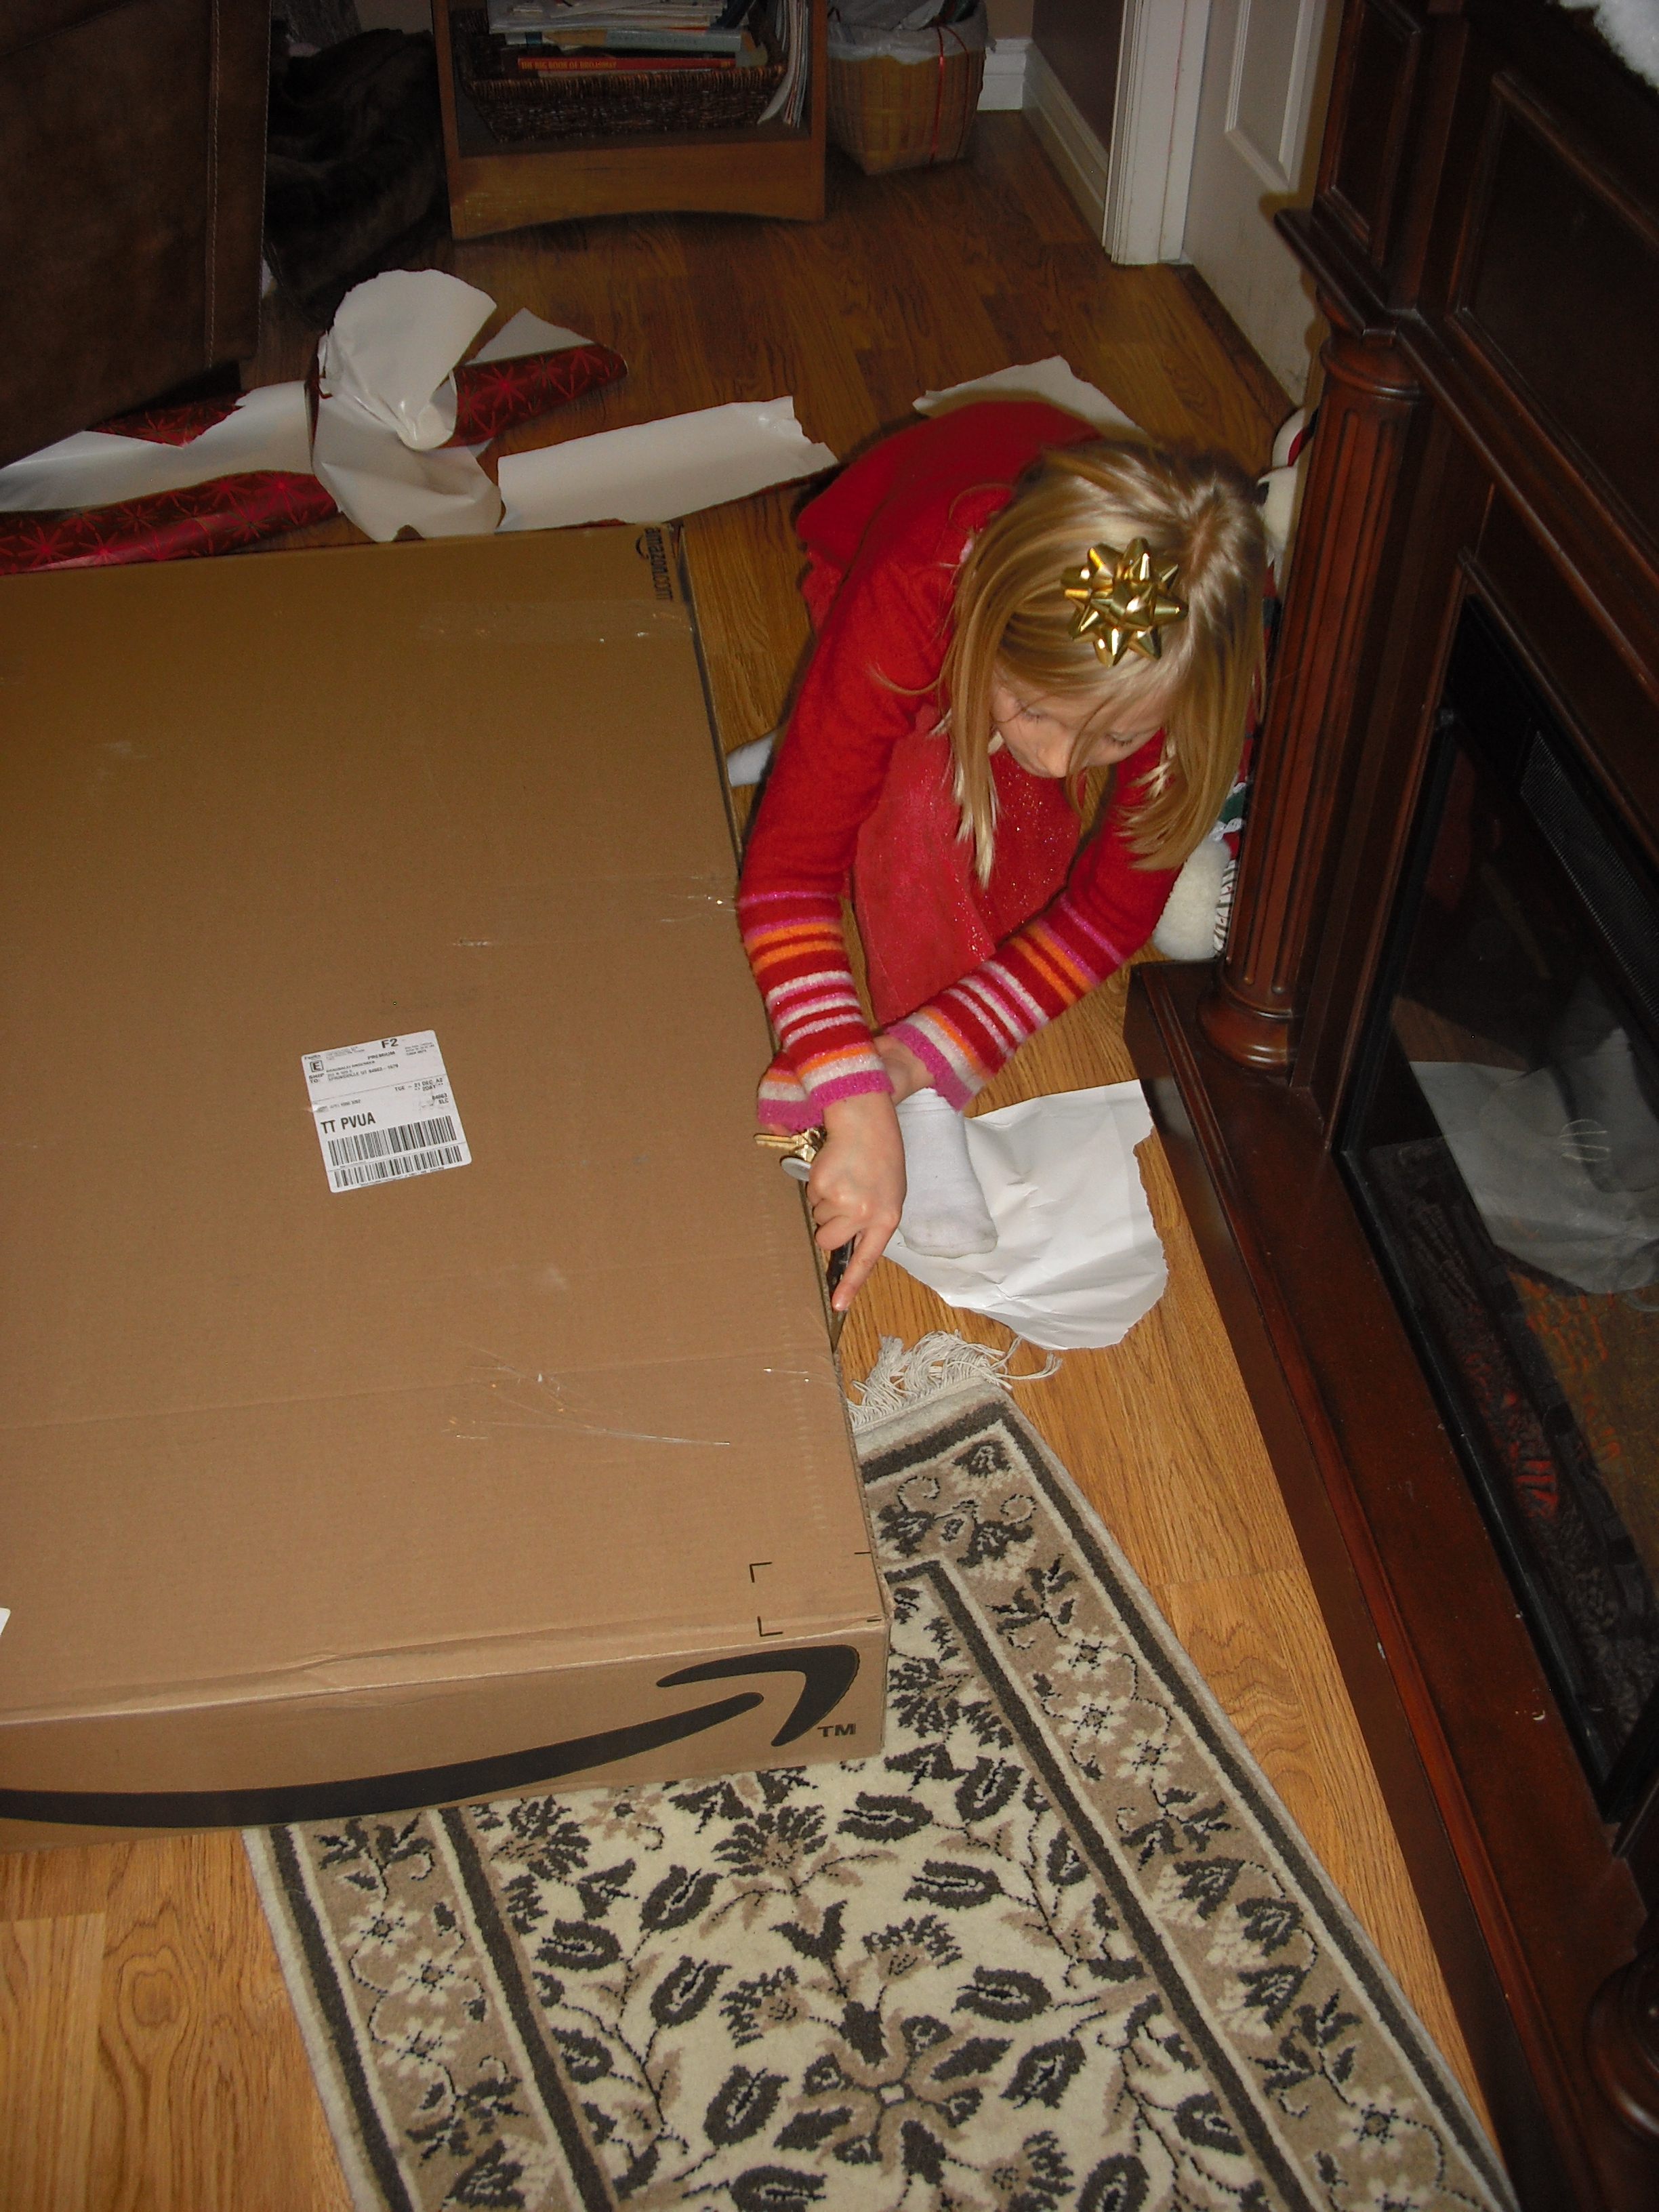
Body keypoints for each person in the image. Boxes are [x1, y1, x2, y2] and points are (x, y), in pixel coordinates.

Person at [737, 398, 1265, 1313]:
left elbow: (1108, 914)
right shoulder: (915, 589)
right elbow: (787, 880)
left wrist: (908, 1061)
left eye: (1113, 738)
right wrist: (857, 1098)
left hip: (998, 606)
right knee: (921, 796)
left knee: (1014, 824)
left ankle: (830, 742)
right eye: (1036, 712)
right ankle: (829, 729)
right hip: (870, 558)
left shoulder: (1190, 667)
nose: (1060, 761)